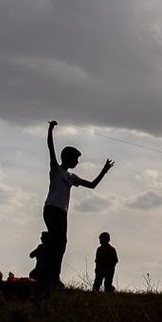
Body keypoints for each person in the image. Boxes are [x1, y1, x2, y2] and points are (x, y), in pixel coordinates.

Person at [42, 120, 114, 287]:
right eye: (75, 159)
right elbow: (50, 148)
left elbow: (92, 185)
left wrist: (104, 170)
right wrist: (50, 129)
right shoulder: (56, 169)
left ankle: (53, 276)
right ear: (67, 158)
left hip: (62, 212)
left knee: (61, 243)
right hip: (52, 209)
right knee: (56, 242)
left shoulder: (71, 177)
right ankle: (48, 275)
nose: (77, 162)